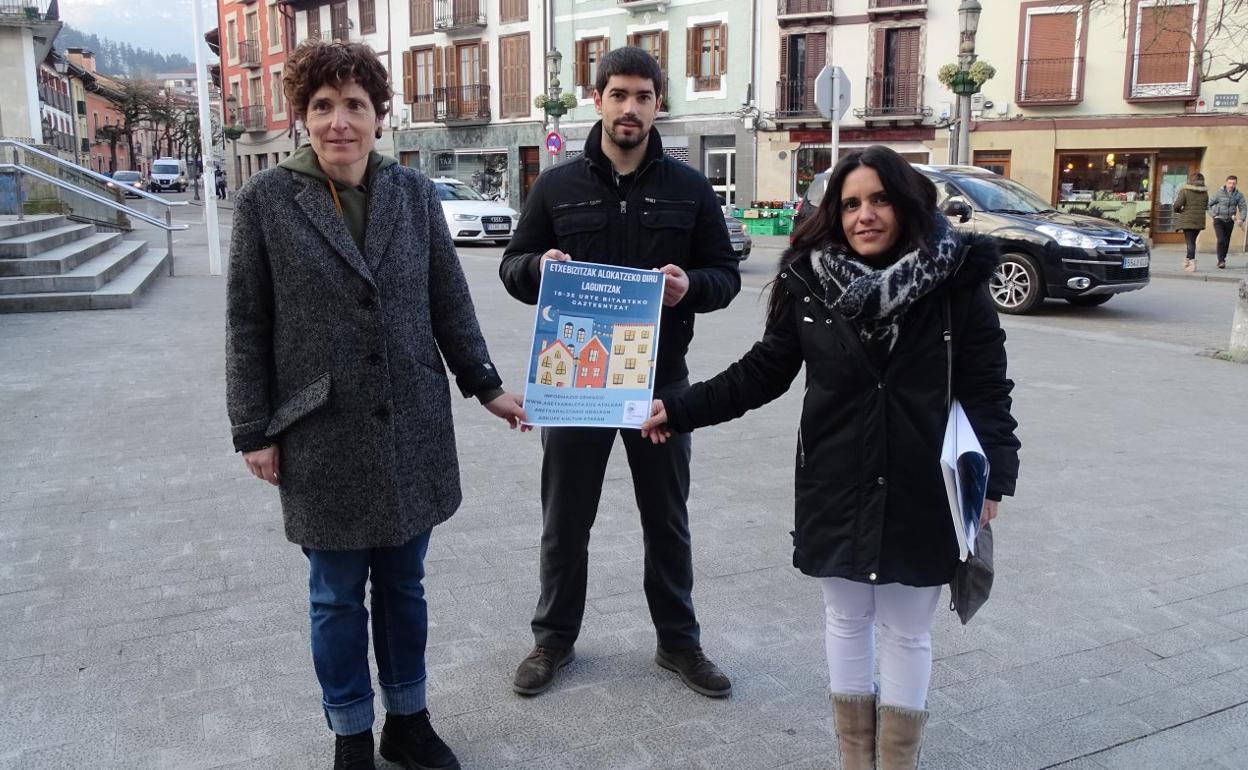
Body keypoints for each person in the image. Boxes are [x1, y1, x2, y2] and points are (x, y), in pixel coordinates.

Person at [639, 146, 1021, 770]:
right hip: (835, 477)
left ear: (904, 204)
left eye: (878, 199)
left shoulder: (956, 282)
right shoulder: (808, 280)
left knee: (906, 628)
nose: (863, 214)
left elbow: (987, 389)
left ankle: (895, 763)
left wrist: (994, 483)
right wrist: (679, 409)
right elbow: (764, 371)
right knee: (846, 618)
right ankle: (853, 760)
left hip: (925, 484)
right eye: (849, 204)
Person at [225, 40, 528, 770]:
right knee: (334, 594)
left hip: (409, 424)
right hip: (318, 430)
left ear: (378, 116)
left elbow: (449, 304)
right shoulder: (266, 202)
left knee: (404, 585)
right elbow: (246, 323)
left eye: (354, 105)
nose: (339, 122)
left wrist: (487, 386)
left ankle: (410, 719)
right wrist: (251, 429)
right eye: (323, 106)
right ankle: (351, 733)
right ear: (302, 117)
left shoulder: (415, 196)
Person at [499, 46, 741, 699]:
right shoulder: (556, 186)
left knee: (667, 519)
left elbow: (726, 276)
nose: (630, 107)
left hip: (661, 385)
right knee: (565, 519)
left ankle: (679, 644)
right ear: (598, 99)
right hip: (575, 381)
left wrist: (691, 284)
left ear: (658, 104)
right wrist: (537, 269)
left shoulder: (688, 189)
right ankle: (553, 641)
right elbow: (511, 266)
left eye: (643, 96)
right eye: (619, 95)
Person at [1172, 173, 1208, 272]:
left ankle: (1192, 263)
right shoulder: (1205, 193)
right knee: (1192, 241)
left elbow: (1177, 205)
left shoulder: (1185, 191)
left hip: (1188, 220)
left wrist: (1179, 211)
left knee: (1190, 242)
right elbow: (1205, 206)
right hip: (1199, 220)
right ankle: (1187, 262)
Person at [1208, 174, 1246, 269]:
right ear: (1226, 183)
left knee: (1226, 241)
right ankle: (1221, 261)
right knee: (1221, 239)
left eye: (1233, 183)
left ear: (1236, 184)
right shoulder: (1219, 193)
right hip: (1218, 219)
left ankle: (1222, 260)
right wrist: (1213, 215)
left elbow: (1243, 207)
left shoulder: (1238, 195)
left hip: (1230, 220)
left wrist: (1242, 218)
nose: (1231, 185)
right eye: (1229, 183)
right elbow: (1207, 205)